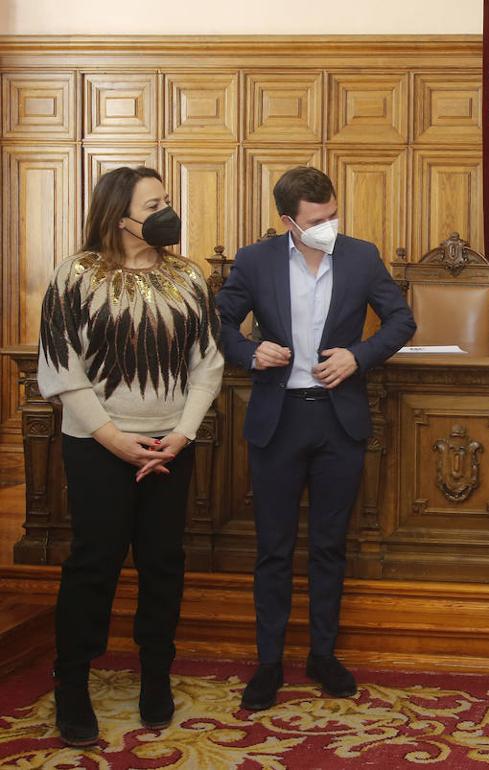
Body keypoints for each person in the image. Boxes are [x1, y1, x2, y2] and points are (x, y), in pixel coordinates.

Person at [215, 166, 415, 711]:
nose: (328, 226)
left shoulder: (361, 255)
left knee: (329, 546)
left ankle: (322, 655)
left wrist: (360, 355)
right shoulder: (255, 262)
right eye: (316, 220)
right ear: (288, 221)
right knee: (273, 550)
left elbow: (401, 321)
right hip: (278, 420)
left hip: (338, 419)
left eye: (333, 215)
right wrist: (248, 351)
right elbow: (219, 321)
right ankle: (269, 662)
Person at [37, 166, 224, 746]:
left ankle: (155, 676)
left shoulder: (187, 276)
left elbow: (207, 363)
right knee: (94, 563)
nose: (167, 211)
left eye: (168, 200)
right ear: (121, 216)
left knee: (164, 561)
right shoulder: (76, 275)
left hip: (169, 445)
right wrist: (113, 439)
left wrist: (183, 434)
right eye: (155, 203)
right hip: (98, 446)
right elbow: (62, 370)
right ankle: (72, 683)